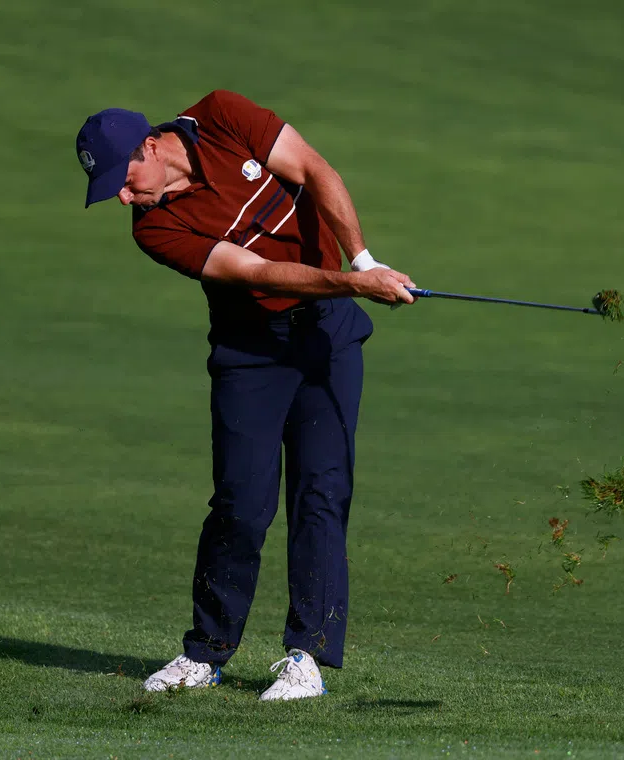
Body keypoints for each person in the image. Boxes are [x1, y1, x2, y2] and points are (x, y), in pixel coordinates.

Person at [74, 90, 416, 701]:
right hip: (251, 352)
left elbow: (314, 169)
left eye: (123, 181)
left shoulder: (223, 115)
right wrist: (353, 282)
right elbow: (255, 272)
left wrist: (363, 258)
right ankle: (205, 653)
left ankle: (306, 656)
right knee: (241, 502)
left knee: (322, 491)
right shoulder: (155, 228)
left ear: (150, 147)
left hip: (326, 340)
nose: (123, 199)